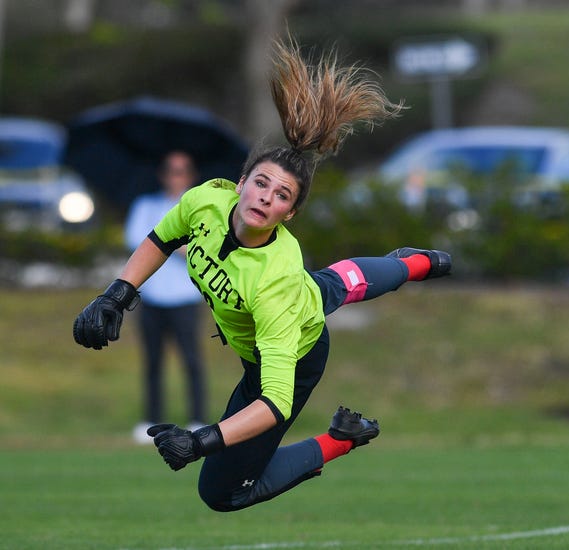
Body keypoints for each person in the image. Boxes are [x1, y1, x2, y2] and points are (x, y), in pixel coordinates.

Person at [73, 37, 451, 512]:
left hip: (296, 349)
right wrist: (116, 294)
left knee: (224, 494)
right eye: (262, 183)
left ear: (289, 215)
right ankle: (413, 262)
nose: (267, 197)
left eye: (282, 195)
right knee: (333, 283)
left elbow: (275, 403)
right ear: (240, 183)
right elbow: (161, 239)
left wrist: (202, 440)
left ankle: (342, 439)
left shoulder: (275, 284)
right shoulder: (205, 200)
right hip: (298, 294)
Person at [124, 151, 207, 444]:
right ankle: (151, 420)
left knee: (192, 361)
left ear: (191, 176)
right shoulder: (146, 205)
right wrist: (176, 245)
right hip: (153, 298)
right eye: (172, 170)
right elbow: (137, 241)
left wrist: (167, 244)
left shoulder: (200, 209)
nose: (176, 176)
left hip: (185, 298)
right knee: (153, 361)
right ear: (163, 175)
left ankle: (198, 419)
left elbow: (202, 248)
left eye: (182, 171)